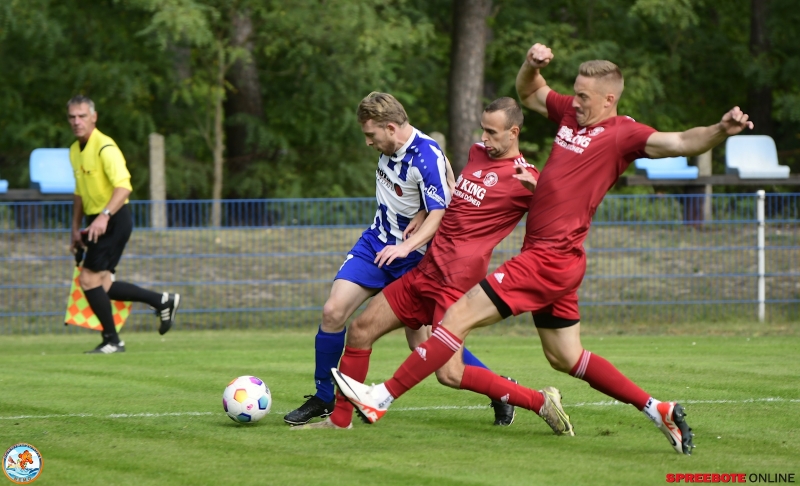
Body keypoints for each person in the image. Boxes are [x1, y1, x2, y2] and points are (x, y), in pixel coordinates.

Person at [331, 43, 755, 455]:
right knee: (566, 357)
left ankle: (381, 397)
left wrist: (720, 130)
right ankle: (656, 408)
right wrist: (531, 63)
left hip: (547, 258)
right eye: (575, 91)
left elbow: (681, 142)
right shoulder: (570, 114)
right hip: (559, 261)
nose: (576, 102)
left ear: (610, 99)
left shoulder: (623, 133)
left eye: (586, 96)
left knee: (456, 319)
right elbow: (530, 92)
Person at [294, 97, 544, 430]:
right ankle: (330, 405)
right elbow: (452, 193)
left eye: (491, 131)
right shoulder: (475, 153)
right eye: (482, 129)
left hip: (426, 260)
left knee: (435, 354)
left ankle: (507, 392)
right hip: (385, 246)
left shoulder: (442, 158)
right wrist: (425, 210)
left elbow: (558, 210)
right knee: (341, 316)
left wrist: (410, 243)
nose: (483, 137)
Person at [68, 95, 181, 354]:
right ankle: (162, 301)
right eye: (72, 117)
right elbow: (78, 193)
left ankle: (112, 341)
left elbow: (124, 186)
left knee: (88, 279)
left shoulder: (105, 147)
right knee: (103, 285)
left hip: (113, 218)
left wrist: (104, 215)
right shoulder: (75, 150)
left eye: (82, 116)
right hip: (95, 220)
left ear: (93, 117)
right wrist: (75, 228)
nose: (77, 121)